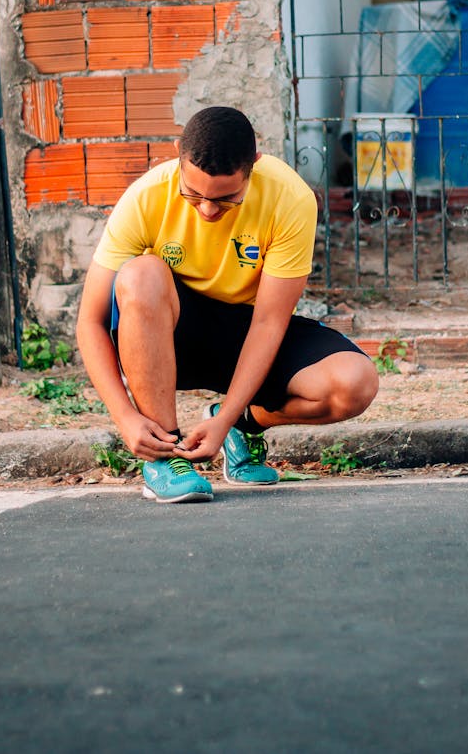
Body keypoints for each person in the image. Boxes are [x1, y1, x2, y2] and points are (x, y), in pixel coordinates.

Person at [76, 106, 378, 503]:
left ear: (254, 164)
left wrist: (229, 418)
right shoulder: (146, 197)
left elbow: (270, 323)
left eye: (226, 199)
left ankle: (242, 425)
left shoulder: (290, 198)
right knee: (140, 274)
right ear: (179, 155)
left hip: (249, 330)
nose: (207, 210)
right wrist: (125, 417)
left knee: (354, 383)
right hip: (173, 336)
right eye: (193, 195)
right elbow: (90, 322)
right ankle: (166, 458)